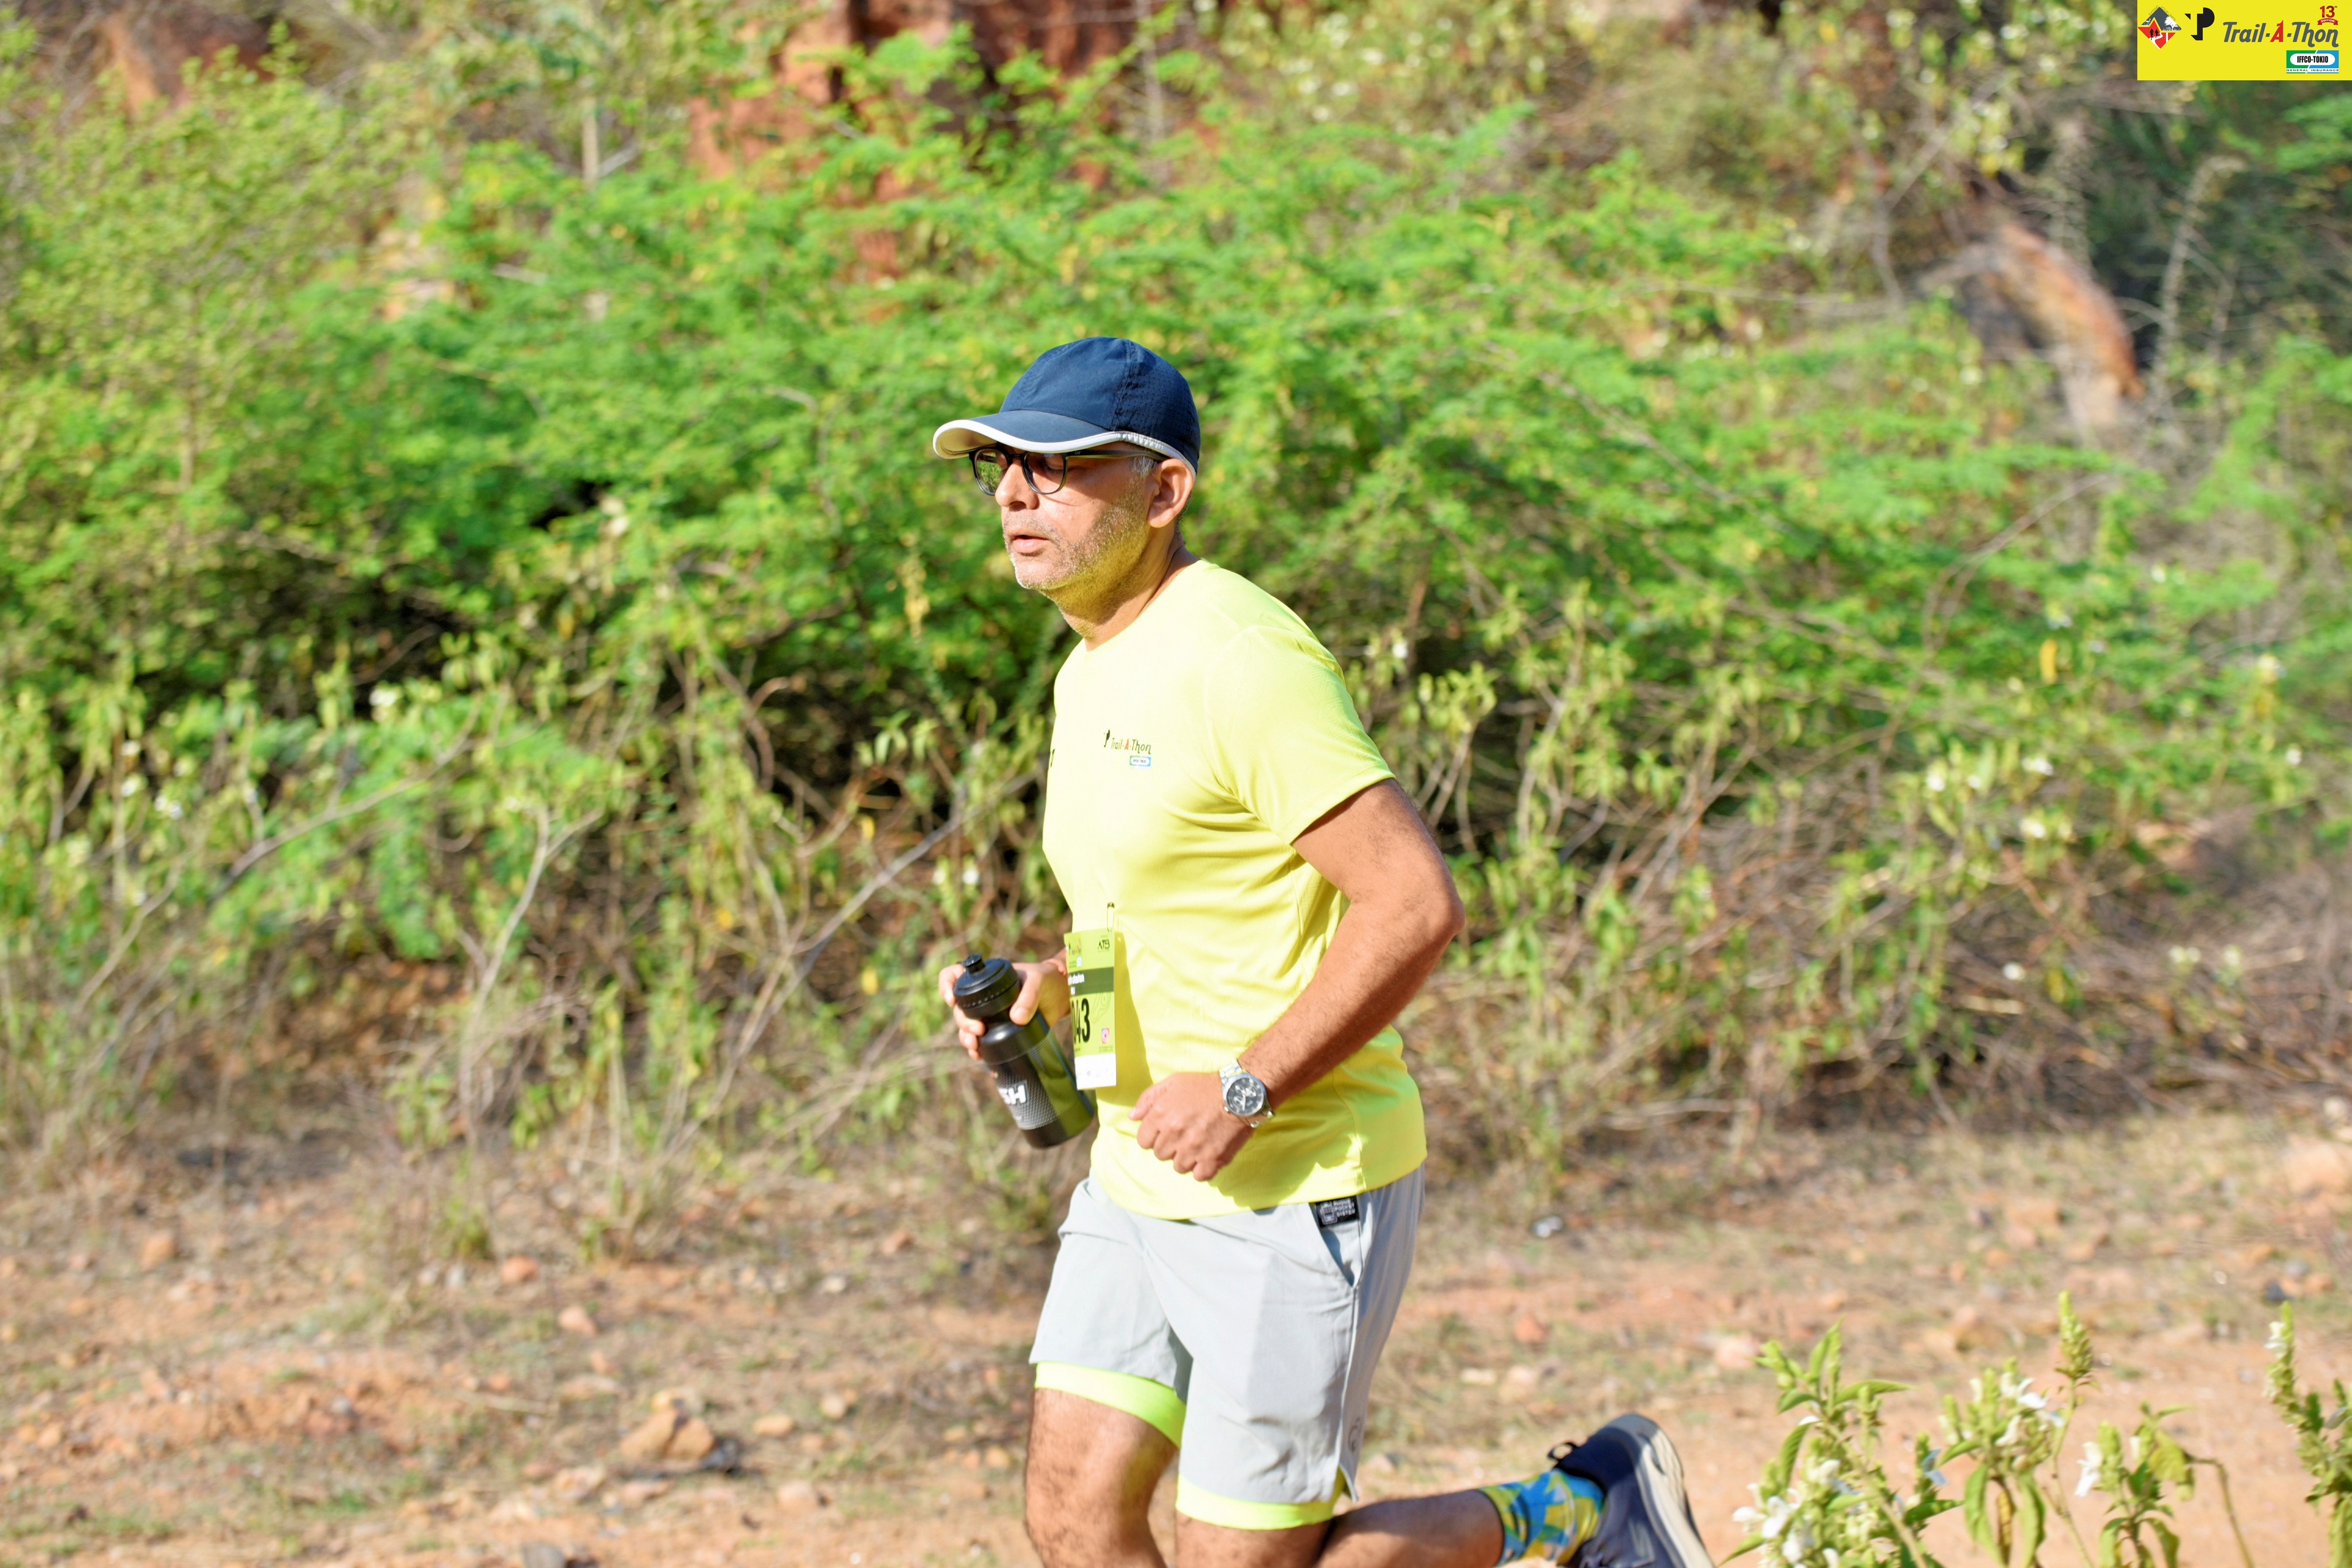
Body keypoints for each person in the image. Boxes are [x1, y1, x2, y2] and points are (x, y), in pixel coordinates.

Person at [933, 337, 1715, 1568]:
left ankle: (1580, 1506)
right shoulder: (1091, 665)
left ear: (1164, 491)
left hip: (1294, 1185)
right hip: (1139, 1175)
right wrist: (1051, 993)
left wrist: (1247, 1083)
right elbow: (1153, 907)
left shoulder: (1241, 660)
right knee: (1073, 1514)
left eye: (1060, 467)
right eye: (1003, 466)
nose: (1018, 494)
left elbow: (1414, 903)